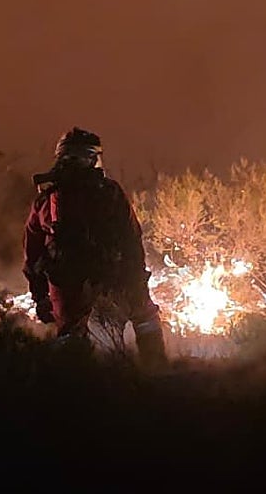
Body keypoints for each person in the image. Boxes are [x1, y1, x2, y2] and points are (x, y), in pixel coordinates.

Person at [22, 128, 167, 368]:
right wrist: (137, 278)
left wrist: (40, 296)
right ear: (90, 158)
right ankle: (157, 371)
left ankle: (77, 386)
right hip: (113, 273)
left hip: (66, 280)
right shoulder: (109, 192)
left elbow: (32, 253)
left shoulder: (47, 199)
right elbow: (131, 238)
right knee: (145, 316)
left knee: (70, 335)